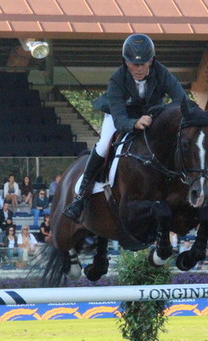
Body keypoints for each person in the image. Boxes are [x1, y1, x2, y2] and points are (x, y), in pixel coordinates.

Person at [64, 33, 187, 222]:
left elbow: (181, 101)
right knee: (104, 144)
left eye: (143, 63)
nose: (138, 69)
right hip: (120, 115)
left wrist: (162, 114)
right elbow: (120, 119)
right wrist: (134, 123)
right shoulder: (117, 79)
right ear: (125, 61)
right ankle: (81, 196)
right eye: (133, 64)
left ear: (151, 60)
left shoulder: (162, 73)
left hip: (151, 115)